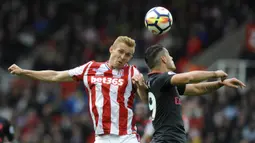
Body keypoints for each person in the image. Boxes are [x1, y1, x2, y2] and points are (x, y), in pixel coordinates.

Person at [8, 36, 148, 143]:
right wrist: (24, 72)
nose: (123, 57)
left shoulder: (132, 72)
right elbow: (56, 75)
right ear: (111, 49)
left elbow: (146, 100)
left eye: (128, 55)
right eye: (121, 51)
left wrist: (141, 86)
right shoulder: (90, 68)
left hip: (127, 136)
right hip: (102, 137)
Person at [144, 44, 246, 143]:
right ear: (163, 59)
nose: (171, 57)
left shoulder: (157, 82)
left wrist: (221, 83)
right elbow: (189, 78)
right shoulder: (162, 78)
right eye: (168, 55)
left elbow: (197, 89)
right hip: (168, 139)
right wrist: (214, 73)